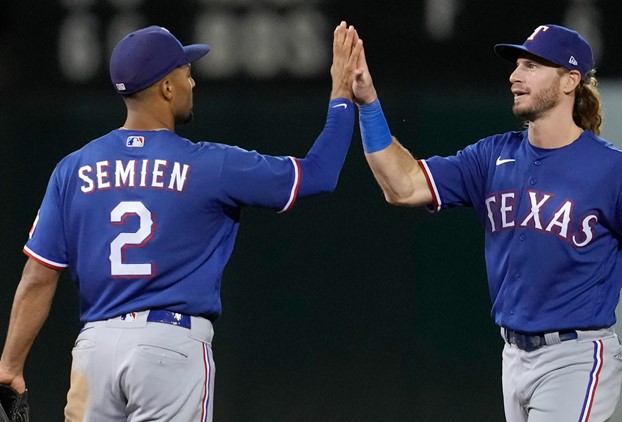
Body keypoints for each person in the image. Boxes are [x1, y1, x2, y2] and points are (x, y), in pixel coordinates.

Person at [351, 24, 622, 421]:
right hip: (513, 358)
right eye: (517, 65)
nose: (515, 76)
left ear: (570, 81)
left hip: (577, 358)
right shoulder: (491, 157)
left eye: (532, 65)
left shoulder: (615, 171)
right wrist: (368, 102)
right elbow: (402, 186)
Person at [0, 22, 362, 420]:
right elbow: (319, 175)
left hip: (94, 351)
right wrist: (342, 93)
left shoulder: (73, 170)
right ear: (167, 89)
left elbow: (38, 276)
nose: (193, 82)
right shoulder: (210, 164)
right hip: (169, 346)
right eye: (186, 73)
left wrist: (10, 367)